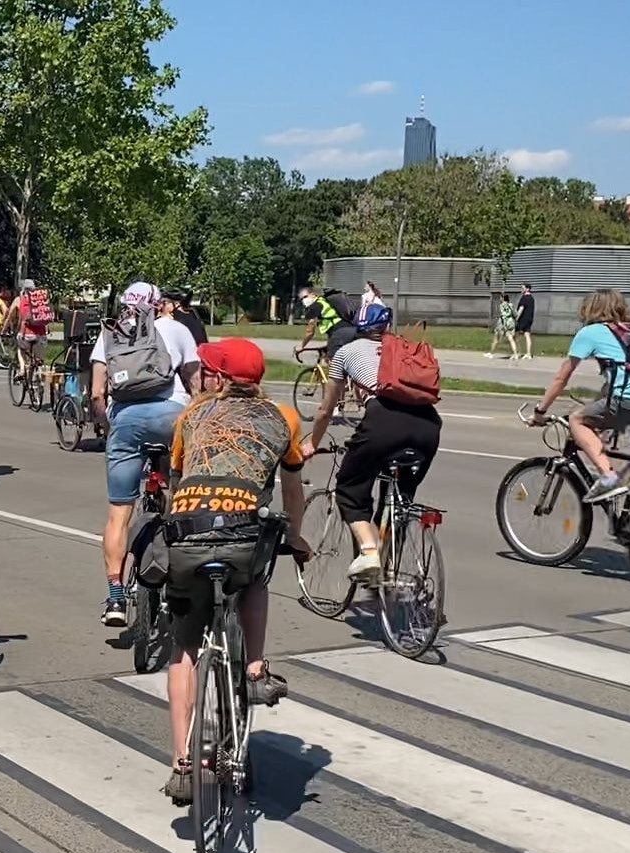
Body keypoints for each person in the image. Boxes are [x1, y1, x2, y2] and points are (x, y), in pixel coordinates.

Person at [157, 337, 309, 805]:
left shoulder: (190, 417)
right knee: (255, 576)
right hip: (245, 540)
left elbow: (177, 485)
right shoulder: (283, 418)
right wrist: (297, 536)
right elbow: (292, 490)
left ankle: (183, 763)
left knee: (183, 647)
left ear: (219, 379)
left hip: (189, 539)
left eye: (206, 371)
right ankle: (256, 668)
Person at [302, 302, 442, 582]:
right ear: (387, 327)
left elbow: (325, 410)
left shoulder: (345, 352)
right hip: (429, 424)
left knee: (349, 487)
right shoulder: (404, 348)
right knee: (401, 499)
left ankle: (369, 551)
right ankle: (389, 565)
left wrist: (311, 443)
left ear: (358, 329)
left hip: (384, 421)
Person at [93, 282, 200, 627]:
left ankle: (114, 598)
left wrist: (112, 431)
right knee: (181, 494)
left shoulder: (110, 333)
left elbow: (97, 394)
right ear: (159, 305)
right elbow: (197, 386)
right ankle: (182, 575)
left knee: (118, 515)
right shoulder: (177, 329)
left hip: (126, 421)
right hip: (172, 418)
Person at [529, 288, 630, 502]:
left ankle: (609, 477)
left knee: (577, 419)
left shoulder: (591, 332)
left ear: (589, 309)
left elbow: (561, 379)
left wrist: (540, 411)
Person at [295, 285, 356, 359]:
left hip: (340, 333)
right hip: (348, 329)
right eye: (301, 299)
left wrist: (302, 346)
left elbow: (310, 331)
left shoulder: (316, 306)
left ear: (312, 294)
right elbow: (331, 326)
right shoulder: (324, 301)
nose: (304, 300)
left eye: (305, 297)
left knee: (333, 362)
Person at [14, 279, 53, 379]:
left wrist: (19, 331)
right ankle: (38, 376)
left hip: (28, 334)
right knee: (37, 358)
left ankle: (22, 369)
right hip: (41, 335)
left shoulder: (23, 300)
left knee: (20, 349)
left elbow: (22, 319)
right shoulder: (41, 301)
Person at [487, 292, 519, 359]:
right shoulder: (511, 305)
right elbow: (515, 315)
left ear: (502, 298)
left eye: (501, 298)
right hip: (510, 323)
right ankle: (515, 354)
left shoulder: (501, 306)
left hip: (502, 323)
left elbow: (501, 315)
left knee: (496, 339)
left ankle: (491, 353)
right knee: (511, 339)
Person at [514, 282, 537, 359]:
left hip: (522, 319)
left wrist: (516, 318)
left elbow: (521, 309)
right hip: (529, 319)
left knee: (516, 335)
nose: (521, 289)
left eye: (522, 288)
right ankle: (528, 353)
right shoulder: (532, 298)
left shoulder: (524, 298)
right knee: (527, 335)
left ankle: (517, 352)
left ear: (527, 289)